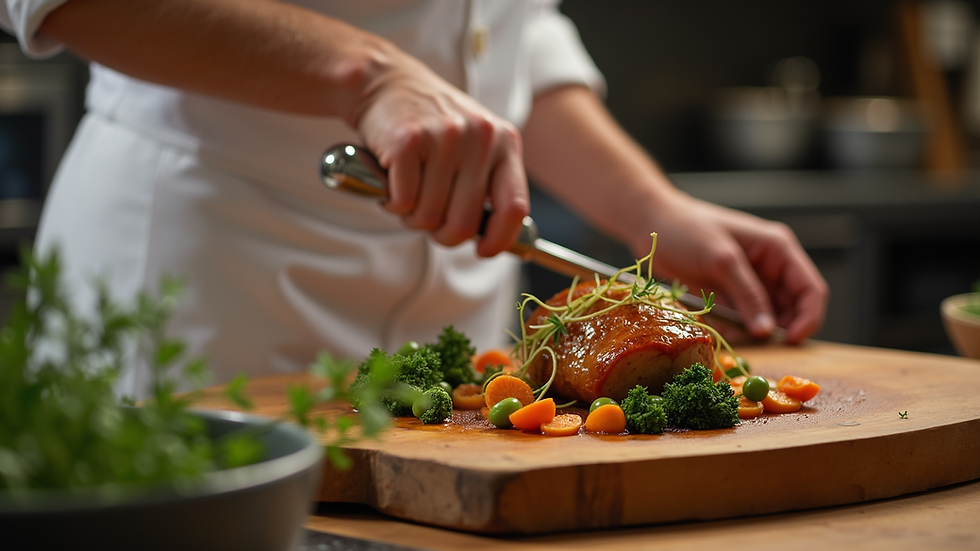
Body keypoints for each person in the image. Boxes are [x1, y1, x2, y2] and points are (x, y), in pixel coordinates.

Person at [1, 0, 827, 397]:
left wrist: (655, 206)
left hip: (458, 339)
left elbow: (507, 32)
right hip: (204, 296)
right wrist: (369, 72)